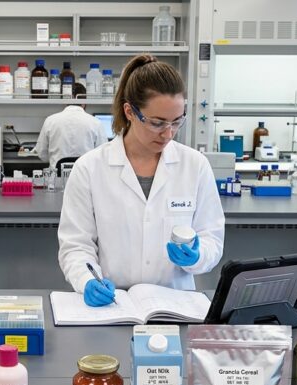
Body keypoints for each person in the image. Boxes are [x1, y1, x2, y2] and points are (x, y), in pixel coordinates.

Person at [57, 54, 226, 307]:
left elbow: (212, 237)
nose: (168, 133)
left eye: (176, 122)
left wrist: (197, 256)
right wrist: (87, 280)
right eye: (157, 123)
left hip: (176, 307)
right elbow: (76, 245)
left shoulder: (195, 166)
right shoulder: (90, 168)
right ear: (130, 112)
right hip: (113, 305)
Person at [34, 82, 110, 169]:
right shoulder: (96, 123)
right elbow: (103, 155)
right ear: (85, 101)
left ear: (65, 100)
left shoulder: (50, 121)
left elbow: (42, 155)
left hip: (57, 179)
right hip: (85, 179)